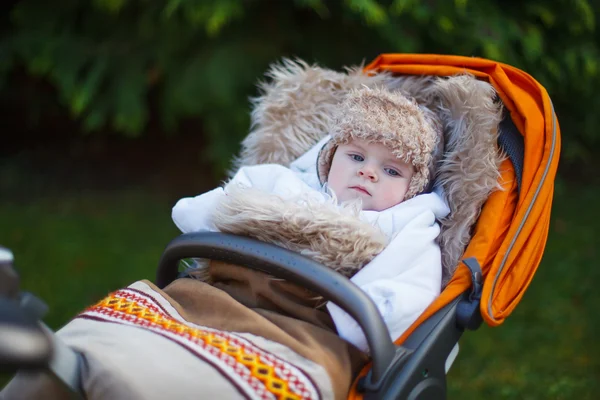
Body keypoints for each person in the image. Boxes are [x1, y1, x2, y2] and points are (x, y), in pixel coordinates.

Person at [172, 86, 450, 352]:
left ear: (413, 188)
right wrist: (202, 217)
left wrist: (357, 327)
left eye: (391, 171)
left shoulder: (408, 223)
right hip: (227, 293)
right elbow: (222, 204)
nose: (368, 172)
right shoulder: (289, 183)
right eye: (355, 156)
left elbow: (412, 291)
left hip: (314, 325)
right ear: (329, 158)